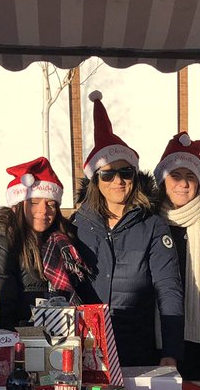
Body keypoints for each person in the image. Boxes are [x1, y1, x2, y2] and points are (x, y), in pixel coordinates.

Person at [71, 92, 184, 367]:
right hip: (87, 347)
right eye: (108, 174)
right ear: (96, 180)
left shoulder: (153, 225)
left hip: (136, 347)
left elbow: (168, 288)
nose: (117, 181)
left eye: (126, 173)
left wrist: (171, 351)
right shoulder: (76, 224)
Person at [0, 157, 95, 330]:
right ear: (16, 205)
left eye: (51, 204)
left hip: (46, 337)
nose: (43, 211)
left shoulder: (55, 242)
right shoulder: (0, 243)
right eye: (34, 203)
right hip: (16, 344)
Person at [154, 132, 200, 380]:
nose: (183, 184)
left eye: (190, 177)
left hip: (197, 344)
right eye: (176, 176)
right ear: (163, 180)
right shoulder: (150, 223)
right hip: (154, 340)